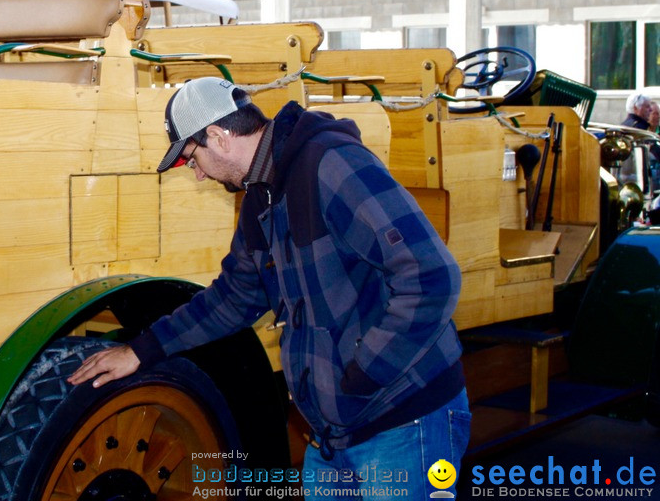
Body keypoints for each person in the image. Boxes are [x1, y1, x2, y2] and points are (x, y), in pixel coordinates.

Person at [69, 76, 469, 495]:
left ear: (218, 137)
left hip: (401, 419)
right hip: (336, 427)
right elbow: (236, 296)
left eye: (191, 159)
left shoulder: (332, 165)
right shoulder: (262, 194)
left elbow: (431, 277)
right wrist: (141, 350)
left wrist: (362, 376)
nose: (199, 175)